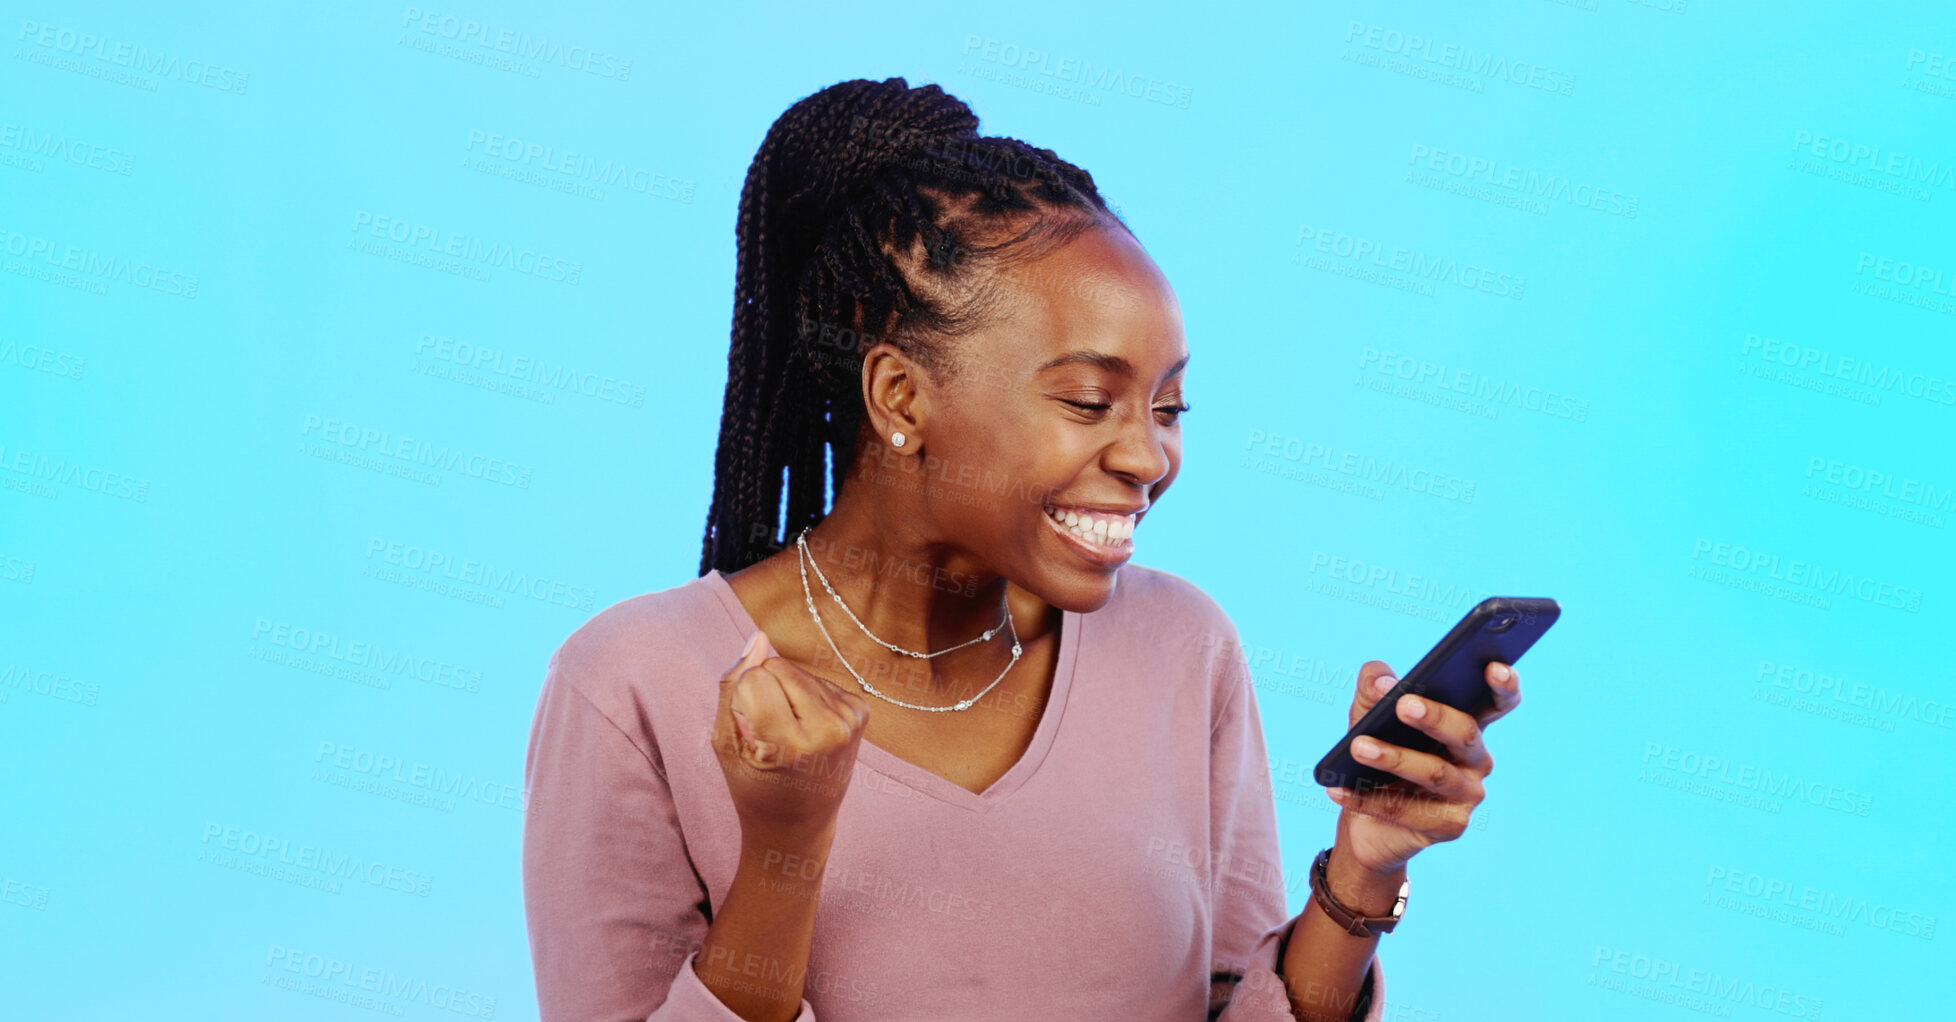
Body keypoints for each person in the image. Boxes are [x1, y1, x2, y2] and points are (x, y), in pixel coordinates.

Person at [521, 76, 1521, 1022]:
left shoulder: (1184, 645)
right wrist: (784, 845)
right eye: (1090, 400)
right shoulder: (634, 685)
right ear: (901, 397)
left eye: (1170, 406)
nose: (1149, 454)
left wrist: (1362, 870)